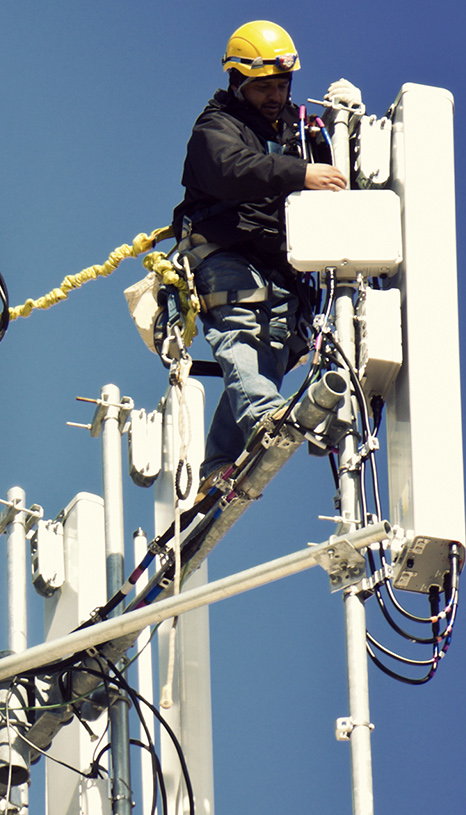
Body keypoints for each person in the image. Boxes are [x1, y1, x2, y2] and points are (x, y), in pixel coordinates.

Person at [173, 20, 352, 481]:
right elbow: (231, 168)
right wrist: (299, 173)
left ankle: (219, 465)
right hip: (225, 253)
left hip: (278, 266)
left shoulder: (298, 132)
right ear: (237, 84)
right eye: (263, 87)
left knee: (270, 354)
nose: (274, 96)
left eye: (281, 85)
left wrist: (338, 134)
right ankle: (262, 418)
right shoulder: (216, 126)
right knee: (241, 333)